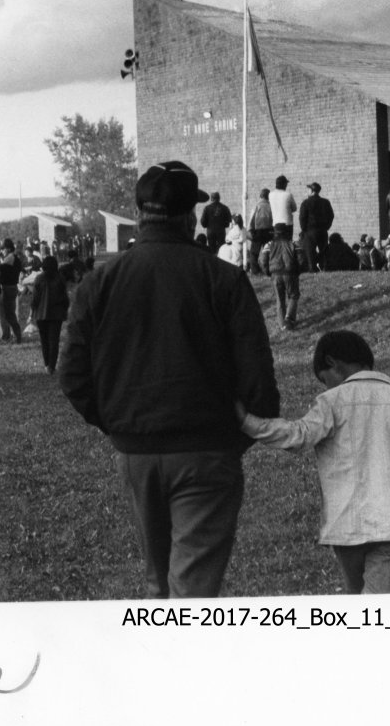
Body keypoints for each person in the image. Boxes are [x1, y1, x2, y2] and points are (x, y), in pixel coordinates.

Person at [60, 159, 280, 599]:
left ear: (140, 213)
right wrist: (237, 435)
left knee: (158, 587)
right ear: (189, 216)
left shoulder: (99, 281)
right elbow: (257, 379)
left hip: (136, 450)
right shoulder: (223, 278)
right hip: (206, 451)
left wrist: (115, 421)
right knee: (192, 595)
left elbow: (71, 371)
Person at [237, 330, 390, 594]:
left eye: (324, 380)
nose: (326, 387)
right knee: (381, 612)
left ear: (332, 363)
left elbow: (297, 435)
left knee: (356, 604)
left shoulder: (332, 402)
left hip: (346, 525)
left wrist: (247, 422)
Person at [30, 255, 70, 374]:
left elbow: (35, 299)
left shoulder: (39, 279)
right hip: (56, 315)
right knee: (54, 341)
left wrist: (32, 311)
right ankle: (52, 366)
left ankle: (46, 364)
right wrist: (65, 309)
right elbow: (64, 298)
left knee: (44, 340)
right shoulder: (60, 279)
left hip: (41, 315)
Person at [258, 223, 300, 331]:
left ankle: (283, 325)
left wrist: (268, 272)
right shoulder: (293, 243)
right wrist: (298, 271)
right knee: (293, 296)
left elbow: (262, 261)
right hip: (290, 273)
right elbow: (301, 259)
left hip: (275, 274)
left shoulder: (268, 244)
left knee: (280, 300)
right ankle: (289, 318)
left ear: (274, 233)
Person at [298, 181, 334, 272]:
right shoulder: (325, 202)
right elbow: (331, 215)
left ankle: (312, 269)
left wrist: (304, 229)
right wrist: (327, 227)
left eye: (309, 189)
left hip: (310, 231)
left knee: (310, 252)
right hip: (322, 230)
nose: (307, 191)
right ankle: (324, 268)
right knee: (323, 251)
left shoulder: (305, 203)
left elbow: (302, 217)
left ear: (312, 190)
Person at [0, 238, 24, 344]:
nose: (2, 251)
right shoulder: (14, 258)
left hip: (7, 288)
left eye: (3, 249)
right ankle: (10, 336)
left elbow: (0, 270)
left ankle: (15, 336)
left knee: (7, 314)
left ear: (8, 248)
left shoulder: (10, 258)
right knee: (7, 314)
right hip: (12, 287)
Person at [248, 188, 274, 273]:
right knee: (269, 251)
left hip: (257, 231)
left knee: (254, 253)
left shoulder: (257, 205)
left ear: (260, 196)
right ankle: (269, 269)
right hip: (269, 231)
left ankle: (255, 270)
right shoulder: (271, 206)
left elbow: (252, 219)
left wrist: (250, 230)